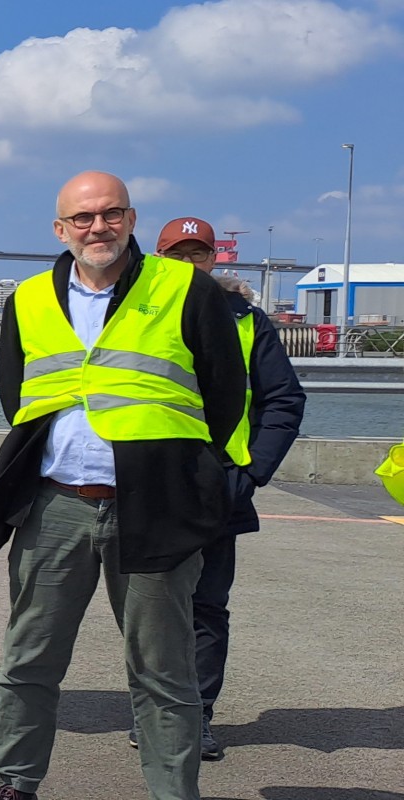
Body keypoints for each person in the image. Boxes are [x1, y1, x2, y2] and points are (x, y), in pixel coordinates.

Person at [0, 171, 247, 800]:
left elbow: (226, 396)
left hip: (155, 506)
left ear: (133, 220)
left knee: (163, 671)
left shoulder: (186, 289)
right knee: (29, 659)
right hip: (56, 503)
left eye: (111, 214)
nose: (98, 227)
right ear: (60, 229)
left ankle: (173, 791)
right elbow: (18, 397)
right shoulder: (28, 298)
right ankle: (16, 783)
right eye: (82, 218)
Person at [150, 216, 306, 760]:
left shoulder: (247, 321)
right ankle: (153, 712)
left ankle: (196, 719)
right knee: (149, 609)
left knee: (206, 608)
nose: (188, 263)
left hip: (220, 486)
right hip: (149, 483)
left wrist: (252, 471)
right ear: (157, 256)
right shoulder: (129, 314)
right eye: (176, 254)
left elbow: (283, 400)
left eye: (198, 254)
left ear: (214, 259)